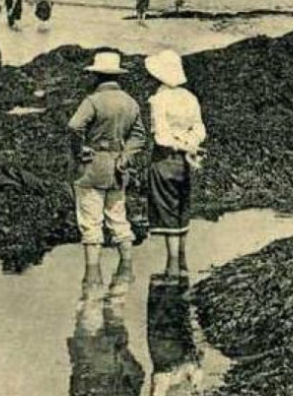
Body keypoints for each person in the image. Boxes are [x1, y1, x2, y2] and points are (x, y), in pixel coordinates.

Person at [67, 49, 144, 288]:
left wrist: (81, 150)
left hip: (93, 166)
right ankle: (125, 273)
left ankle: (92, 279)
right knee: (119, 219)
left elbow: (74, 126)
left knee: (91, 223)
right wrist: (125, 156)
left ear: (96, 76)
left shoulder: (93, 101)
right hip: (118, 168)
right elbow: (140, 136)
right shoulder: (130, 102)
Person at [144, 49, 207, 279]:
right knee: (182, 207)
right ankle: (182, 263)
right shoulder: (189, 98)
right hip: (185, 162)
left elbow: (160, 137)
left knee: (167, 210)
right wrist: (190, 144)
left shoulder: (159, 99)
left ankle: (171, 267)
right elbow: (200, 129)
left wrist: (178, 144)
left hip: (164, 160)